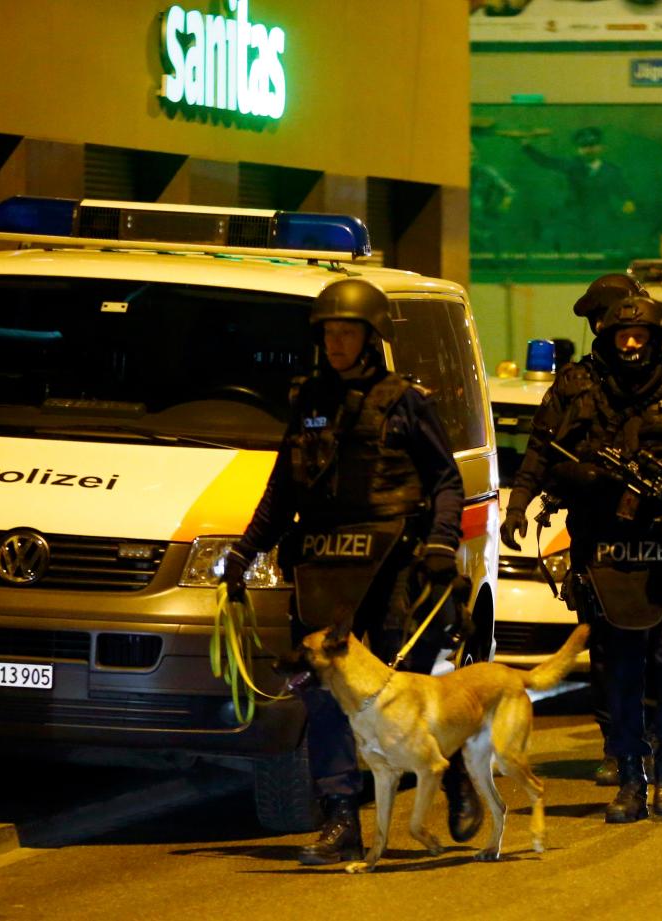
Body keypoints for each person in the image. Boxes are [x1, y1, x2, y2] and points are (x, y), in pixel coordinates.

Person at [221, 277, 482, 865]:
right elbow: (282, 489)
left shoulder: (405, 401)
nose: (336, 343)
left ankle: (455, 769)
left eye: (347, 333)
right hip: (324, 562)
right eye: (329, 333)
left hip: (393, 564)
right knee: (321, 695)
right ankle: (342, 817)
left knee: (403, 690)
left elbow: (445, 480)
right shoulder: (308, 400)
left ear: (371, 337)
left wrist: (440, 545)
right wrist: (244, 551)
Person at [501, 294, 662, 822]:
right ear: (606, 338)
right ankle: (631, 775)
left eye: (640, 336)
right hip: (605, 553)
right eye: (622, 336)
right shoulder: (579, 388)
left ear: (657, 339)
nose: (631, 344)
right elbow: (540, 452)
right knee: (620, 672)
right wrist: (523, 504)